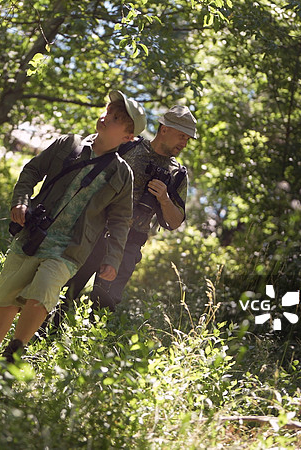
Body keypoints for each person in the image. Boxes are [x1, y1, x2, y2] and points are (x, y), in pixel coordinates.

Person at [0, 90, 146, 367]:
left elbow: (120, 222)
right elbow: (32, 170)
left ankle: (12, 358)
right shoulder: (69, 144)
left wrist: (113, 259)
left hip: (69, 249)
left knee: (41, 296)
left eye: (116, 118)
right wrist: (20, 201)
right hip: (31, 235)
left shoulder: (122, 174)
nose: (105, 117)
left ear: (128, 137)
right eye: (107, 111)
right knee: (8, 299)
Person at [43, 105, 197, 330]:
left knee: (104, 304)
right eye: (182, 136)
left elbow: (174, 222)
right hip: (94, 230)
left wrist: (163, 198)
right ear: (164, 128)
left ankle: (81, 355)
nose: (184, 143)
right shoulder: (128, 145)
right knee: (67, 289)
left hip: (130, 244)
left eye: (188, 139)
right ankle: (39, 338)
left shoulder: (177, 174)